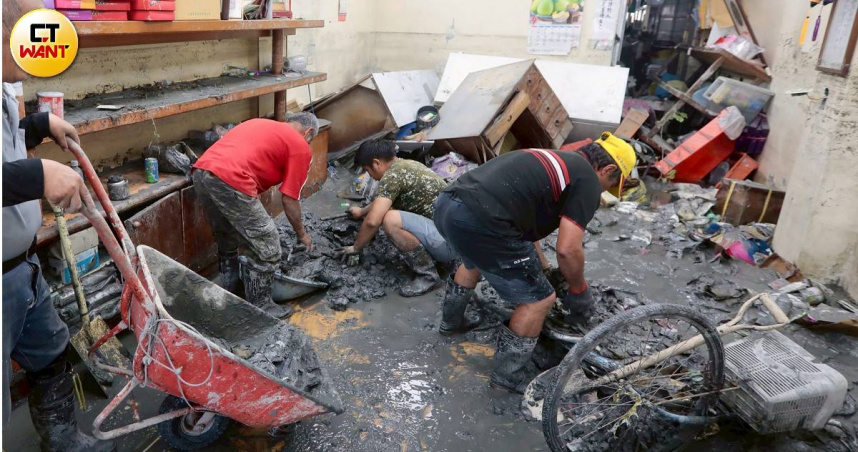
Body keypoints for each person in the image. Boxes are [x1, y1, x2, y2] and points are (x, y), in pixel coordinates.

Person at [434, 133, 636, 393]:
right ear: (608, 169)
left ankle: (450, 324)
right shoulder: (586, 180)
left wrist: (544, 268)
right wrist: (578, 290)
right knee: (539, 300)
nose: (604, 191)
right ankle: (507, 376)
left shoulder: (554, 159)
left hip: (448, 205)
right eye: (610, 184)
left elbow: (524, 229)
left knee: (474, 259)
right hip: (481, 220)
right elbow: (568, 249)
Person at [2, 1, 115, 450]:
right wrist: (40, 175)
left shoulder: (7, 88)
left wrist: (38, 124)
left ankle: (64, 443)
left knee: (50, 357)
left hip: (23, 270)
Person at [192, 113, 319, 318]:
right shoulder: (300, 145)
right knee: (267, 245)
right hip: (232, 179)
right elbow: (289, 199)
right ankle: (261, 305)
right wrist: (302, 234)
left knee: (226, 234)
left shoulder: (259, 123)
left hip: (201, 172)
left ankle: (230, 285)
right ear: (309, 132)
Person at [334, 139, 455, 297]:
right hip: (456, 238)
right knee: (390, 212)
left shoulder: (392, 176)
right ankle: (440, 262)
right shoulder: (406, 166)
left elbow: (372, 222)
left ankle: (427, 275)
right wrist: (362, 211)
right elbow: (382, 201)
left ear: (376, 163)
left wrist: (356, 248)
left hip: (448, 246)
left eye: (367, 170)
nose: (369, 175)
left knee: (390, 220)